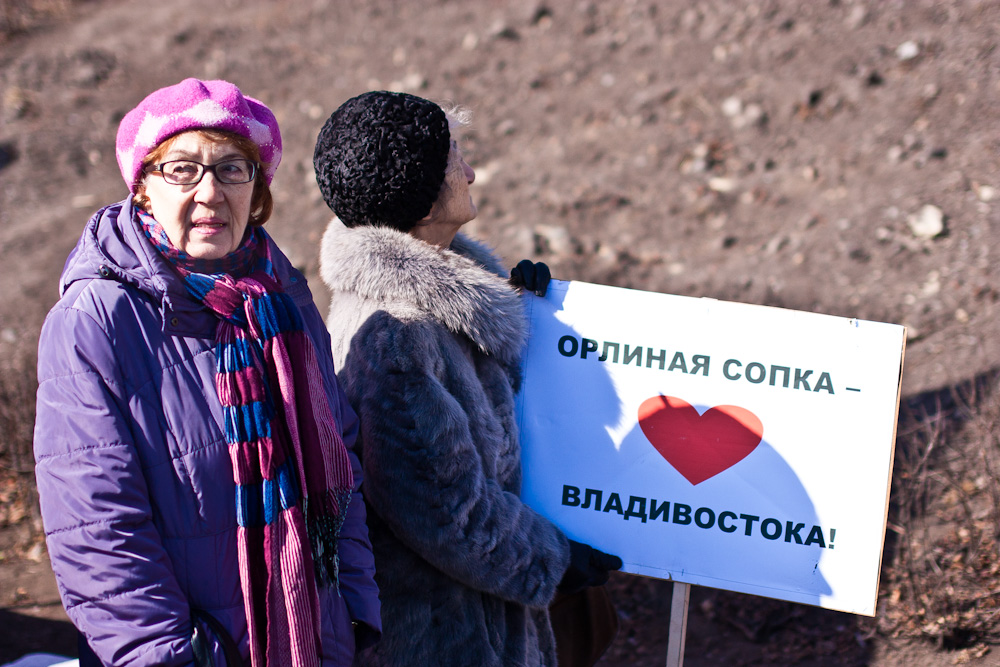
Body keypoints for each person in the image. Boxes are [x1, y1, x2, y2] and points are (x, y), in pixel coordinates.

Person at [33, 78, 380, 667]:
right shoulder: (96, 320)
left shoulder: (281, 295)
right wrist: (171, 657)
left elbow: (337, 461)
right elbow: (98, 526)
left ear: (257, 187)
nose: (211, 191)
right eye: (182, 170)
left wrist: (352, 607)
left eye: (231, 168)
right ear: (143, 188)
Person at [312, 90, 622, 666]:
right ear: (421, 188)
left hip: (482, 615)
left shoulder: (439, 308)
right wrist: (551, 561)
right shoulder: (394, 337)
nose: (471, 171)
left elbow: (499, 428)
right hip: (445, 635)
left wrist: (531, 316)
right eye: (455, 157)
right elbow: (447, 511)